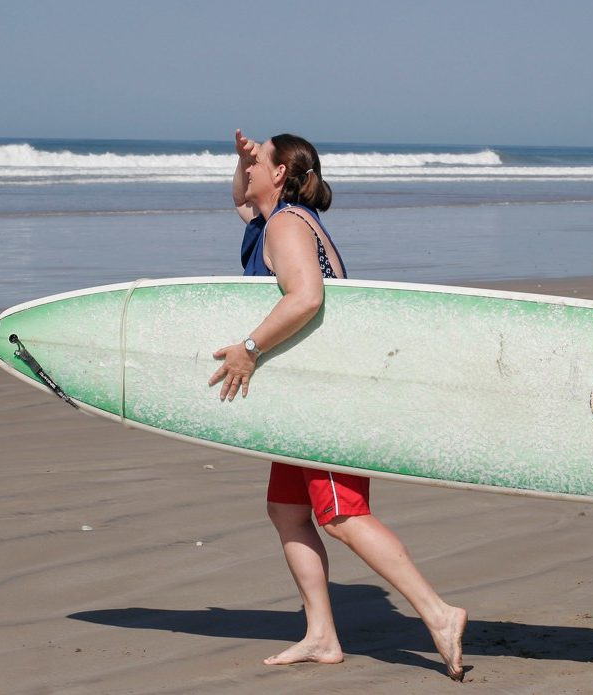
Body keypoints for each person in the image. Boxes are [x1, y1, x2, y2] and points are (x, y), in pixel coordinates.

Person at [209, 130, 466, 680]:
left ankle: (439, 613)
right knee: (287, 511)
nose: (248, 172)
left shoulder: (285, 226)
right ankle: (323, 634)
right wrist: (242, 159)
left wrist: (249, 350)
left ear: (280, 174)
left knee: (342, 513)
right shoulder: (271, 221)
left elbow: (307, 296)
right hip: (304, 394)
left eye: (259, 164)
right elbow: (238, 199)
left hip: (323, 397)